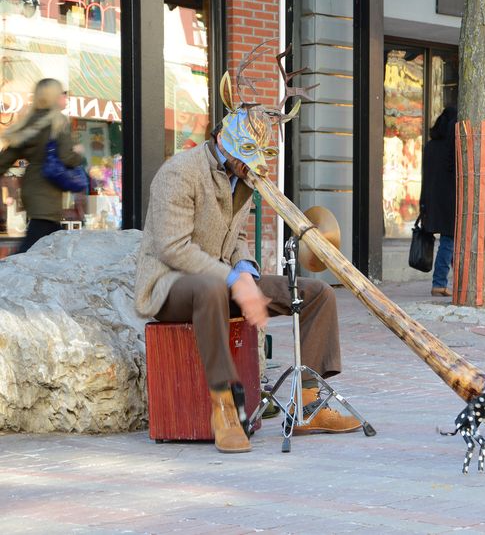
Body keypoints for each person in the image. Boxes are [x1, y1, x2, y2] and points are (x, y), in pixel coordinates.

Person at [134, 114, 360, 453]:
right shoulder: (179, 172)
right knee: (209, 289)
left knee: (317, 294)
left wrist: (247, 275)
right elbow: (172, 248)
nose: (256, 167)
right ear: (223, 139)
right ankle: (225, 409)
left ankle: (308, 407)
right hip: (169, 285)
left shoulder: (243, 175)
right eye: (249, 155)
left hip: (222, 279)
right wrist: (232, 280)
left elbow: (235, 238)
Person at [0, 78, 84, 254]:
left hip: (32, 187)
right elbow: (67, 158)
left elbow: (5, 159)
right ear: (53, 96)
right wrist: (78, 153)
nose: (65, 97)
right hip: (47, 191)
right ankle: (8, 273)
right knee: (35, 243)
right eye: (62, 93)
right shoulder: (58, 121)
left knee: (52, 240)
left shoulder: (29, 122)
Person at [419, 106, 458, 296]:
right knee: (448, 241)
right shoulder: (451, 147)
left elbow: (426, 176)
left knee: (448, 241)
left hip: (433, 200)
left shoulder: (430, 146)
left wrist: (423, 203)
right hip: (450, 201)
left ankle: (448, 280)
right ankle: (439, 283)